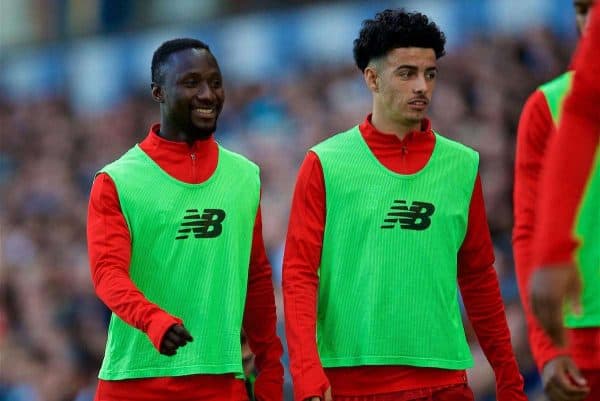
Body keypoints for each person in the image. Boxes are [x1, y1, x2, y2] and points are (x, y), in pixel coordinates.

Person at [282, 9, 527, 401]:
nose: (422, 87)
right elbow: (298, 278)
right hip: (353, 385)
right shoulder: (324, 163)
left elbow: (479, 277)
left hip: (446, 382)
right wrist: (308, 375)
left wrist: (509, 378)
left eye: (429, 74)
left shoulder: (462, 165)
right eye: (406, 73)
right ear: (372, 78)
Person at [87, 38, 284, 401]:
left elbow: (256, 277)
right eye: (191, 83)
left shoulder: (244, 176)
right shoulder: (117, 180)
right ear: (158, 92)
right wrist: (154, 321)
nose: (208, 94)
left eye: (215, 82)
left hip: (221, 382)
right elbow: (107, 276)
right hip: (135, 382)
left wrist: (270, 370)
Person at [513, 1, 597, 400]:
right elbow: (528, 231)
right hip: (583, 341)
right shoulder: (548, 106)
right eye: (582, 9)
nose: (591, 20)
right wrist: (548, 349)